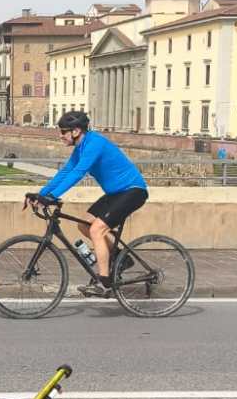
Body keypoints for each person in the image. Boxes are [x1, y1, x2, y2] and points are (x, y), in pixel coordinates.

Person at [24, 111, 147, 296]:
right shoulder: (80, 147)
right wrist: (41, 194)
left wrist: (53, 196)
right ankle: (122, 259)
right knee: (84, 225)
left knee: (97, 229)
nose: (60, 135)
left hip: (133, 191)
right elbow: (65, 172)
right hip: (115, 193)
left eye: (63, 131)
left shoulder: (94, 143)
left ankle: (104, 281)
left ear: (76, 131)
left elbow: (78, 173)